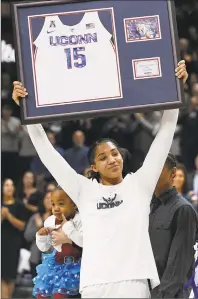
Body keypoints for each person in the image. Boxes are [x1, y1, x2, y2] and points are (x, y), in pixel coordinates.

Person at [12, 60, 188, 298]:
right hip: (94, 284)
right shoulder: (83, 190)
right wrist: (26, 108)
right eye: (104, 157)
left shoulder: (140, 184)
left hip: (133, 282)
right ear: (94, 166)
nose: (112, 160)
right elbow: (47, 153)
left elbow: (164, 136)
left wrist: (175, 91)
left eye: (115, 154)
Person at [149, 153, 198, 298]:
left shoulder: (183, 209)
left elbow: (178, 265)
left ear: (173, 173)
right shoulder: (146, 206)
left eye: (158, 169)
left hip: (168, 294)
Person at [33, 188, 82, 299]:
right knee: (42, 294)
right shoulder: (50, 221)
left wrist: (67, 229)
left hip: (75, 265)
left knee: (59, 294)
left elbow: (83, 241)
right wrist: (41, 236)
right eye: (53, 204)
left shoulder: (80, 219)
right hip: (55, 264)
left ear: (74, 204)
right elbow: (44, 247)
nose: (56, 209)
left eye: (61, 204)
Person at [1, 179, 28, 298]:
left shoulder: (19, 205)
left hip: (13, 244)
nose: (9, 187)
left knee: (10, 277)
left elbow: (22, 226)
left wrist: (9, 216)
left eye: (11, 185)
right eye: (6, 185)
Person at [24, 191, 52, 278]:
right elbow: (27, 236)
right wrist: (38, 228)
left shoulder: (58, 218)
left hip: (52, 258)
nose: (48, 200)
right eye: (46, 198)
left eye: (51, 198)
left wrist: (41, 228)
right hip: (35, 258)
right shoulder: (36, 217)